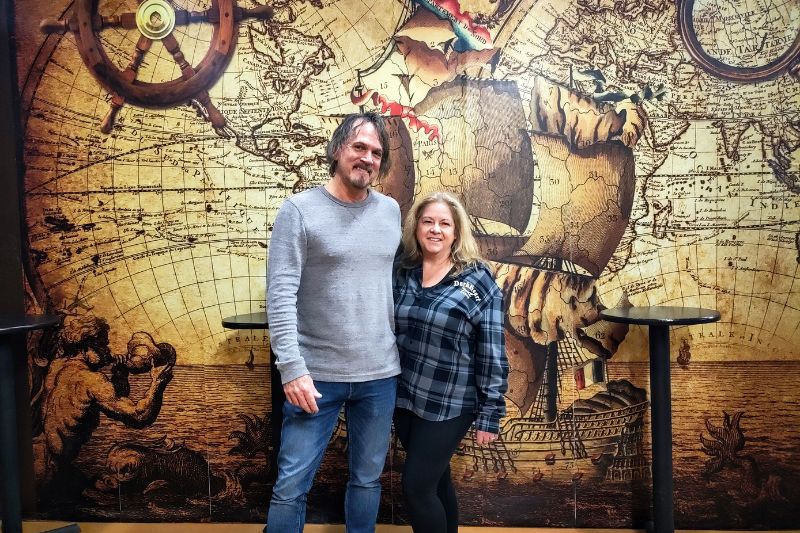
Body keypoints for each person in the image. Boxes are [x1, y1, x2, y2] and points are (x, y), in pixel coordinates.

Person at [266, 111, 402, 533]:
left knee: (366, 482)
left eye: (376, 152)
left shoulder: (391, 211)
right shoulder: (299, 211)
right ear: (338, 150)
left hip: (380, 375)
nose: (368, 158)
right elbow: (280, 294)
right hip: (315, 378)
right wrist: (292, 369)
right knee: (291, 486)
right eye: (359, 147)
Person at [393, 191, 508, 533]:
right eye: (427, 221)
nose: (435, 230)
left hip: (450, 402)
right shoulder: (402, 269)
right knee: (437, 482)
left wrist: (490, 412)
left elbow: (492, 350)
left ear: (456, 232)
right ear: (416, 227)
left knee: (416, 488)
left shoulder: (478, 280)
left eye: (444, 223)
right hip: (405, 395)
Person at [33, 315, 174, 490]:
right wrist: (157, 384)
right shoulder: (92, 381)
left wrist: (120, 374)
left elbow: (110, 404)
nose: (107, 350)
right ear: (86, 346)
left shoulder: (57, 365)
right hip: (48, 471)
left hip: (38, 456)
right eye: (103, 345)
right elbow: (139, 416)